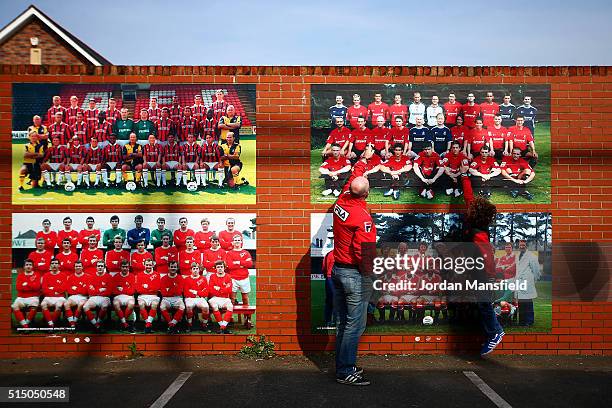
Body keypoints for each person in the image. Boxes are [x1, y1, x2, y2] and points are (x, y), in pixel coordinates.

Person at [332, 154, 377, 386]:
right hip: (353, 274)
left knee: (344, 324)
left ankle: (343, 366)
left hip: (338, 271)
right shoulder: (362, 217)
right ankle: (345, 370)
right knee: (354, 325)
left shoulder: (342, 200)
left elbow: (354, 177)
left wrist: (362, 160)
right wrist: (369, 274)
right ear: (366, 194)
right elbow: (363, 252)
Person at [461, 173, 505, 355]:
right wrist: (464, 177)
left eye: (472, 208)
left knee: (484, 304)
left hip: (482, 274)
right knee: (481, 304)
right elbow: (469, 198)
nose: (469, 208)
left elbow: (488, 257)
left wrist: (491, 276)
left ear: (475, 213)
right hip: (477, 272)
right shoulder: (475, 222)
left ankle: (496, 332)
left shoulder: (479, 233)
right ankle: (492, 332)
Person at [226, 235, 254, 329]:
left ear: (241, 242)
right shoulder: (229, 253)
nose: (237, 242)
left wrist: (238, 262)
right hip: (233, 278)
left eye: (239, 240)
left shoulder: (245, 252)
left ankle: (247, 318)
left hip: (244, 278)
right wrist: (243, 263)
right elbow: (229, 266)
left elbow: (250, 264)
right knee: (232, 299)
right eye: (235, 240)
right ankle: (230, 318)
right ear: (232, 242)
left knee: (245, 298)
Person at [515, 239, 540, 326]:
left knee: (528, 302)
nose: (522, 247)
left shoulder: (532, 256)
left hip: (527, 281)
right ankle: (522, 321)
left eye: (523, 245)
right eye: (520, 245)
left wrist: (533, 280)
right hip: (519, 282)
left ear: (526, 246)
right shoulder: (517, 255)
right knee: (521, 302)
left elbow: (536, 271)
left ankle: (529, 321)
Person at [83, 261, 113, 333]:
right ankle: (96, 325)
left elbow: (109, 291)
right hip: (93, 297)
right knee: (85, 307)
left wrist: (96, 290)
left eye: (101, 266)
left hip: (105, 298)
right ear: (96, 267)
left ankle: (98, 322)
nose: (100, 267)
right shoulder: (91, 277)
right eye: (98, 266)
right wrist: (100, 289)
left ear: (104, 267)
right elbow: (90, 291)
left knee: (105, 306)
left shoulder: (109, 277)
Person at [12, 259, 41, 329]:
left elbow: (37, 287)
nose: (28, 266)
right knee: (14, 306)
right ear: (24, 267)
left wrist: (26, 284)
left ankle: (26, 323)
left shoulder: (37, 275)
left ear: (33, 266)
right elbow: (18, 288)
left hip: (33, 297)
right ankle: (25, 325)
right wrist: (31, 285)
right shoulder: (20, 276)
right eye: (27, 265)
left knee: (35, 305)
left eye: (30, 265)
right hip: (21, 297)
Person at [208, 260, 234, 334]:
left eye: (221, 267)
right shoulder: (212, 276)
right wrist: (223, 288)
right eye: (218, 267)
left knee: (230, 306)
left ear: (224, 268)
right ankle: (223, 327)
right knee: (214, 306)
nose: (220, 268)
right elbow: (211, 290)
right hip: (214, 298)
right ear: (215, 268)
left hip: (225, 298)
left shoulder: (228, 276)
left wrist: (219, 288)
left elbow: (229, 290)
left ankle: (222, 327)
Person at [183, 262, 211, 332]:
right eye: (194, 269)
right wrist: (199, 293)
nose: (195, 270)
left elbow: (206, 293)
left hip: (200, 298)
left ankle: (204, 325)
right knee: (189, 306)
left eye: (197, 269)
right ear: (191, 270)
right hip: (189, 298)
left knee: (206, 307)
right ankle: (189, 325)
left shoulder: (203, 279)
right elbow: (186, 293)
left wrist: (195, 292)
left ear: (199, 270)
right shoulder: (187, 279)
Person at [135, 258, 161, 333]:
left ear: (153, 265)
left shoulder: (157, 274)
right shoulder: (139, 275)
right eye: (147, 265)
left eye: (150, 265)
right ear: (144, 265)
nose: (148, 266)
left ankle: (147, 325)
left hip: (154, 296)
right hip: (142, 295)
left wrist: (147, 287)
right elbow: (138, 289)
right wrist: (150, 288)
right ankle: (148, 324)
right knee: (141, 304)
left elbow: (157, 287)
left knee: (154, 305)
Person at [159, 262, 185, 334]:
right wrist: (174, 289)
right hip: (166, 298)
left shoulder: (180, 278)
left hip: (177, 298)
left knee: (182, 307)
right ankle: (171, 324)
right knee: (162, 307)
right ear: (168, 268)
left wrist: (169, 289)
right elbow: (163, 292)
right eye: (171, 267)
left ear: (177, 268)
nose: (173, 268)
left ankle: (172, 324)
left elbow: (180, 291)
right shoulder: (164, 278)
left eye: (174, 267)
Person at [40, 259, 66, 328]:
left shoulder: (63, 275)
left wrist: (52, 288)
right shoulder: (46, 275)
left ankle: (51, 324)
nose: (54, 265)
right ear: (50, 265)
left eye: (56, 263)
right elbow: (44, 289)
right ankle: (51, 323)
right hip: (48, 297)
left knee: (59, 305)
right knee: (43, 304)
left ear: (59, 265)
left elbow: (63, 288)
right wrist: (56, 289)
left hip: (60, 297)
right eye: (52, 263)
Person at [112, 260, 137, 333]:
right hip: (118, 296)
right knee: (116, 304)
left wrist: (122, 289)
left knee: (131, 303)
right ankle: (125, 324)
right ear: (120, 267)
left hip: (129, 296)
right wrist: (127, 289)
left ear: (129, 267)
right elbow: (113, 290)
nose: (125, 268)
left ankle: (123, 322)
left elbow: (132, 291)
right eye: (123, 267)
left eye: (126, 267)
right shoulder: (116, 276)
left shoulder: (132, 276)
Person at [64, 261, 89, 328]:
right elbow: (69, 290)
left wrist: (75, 288)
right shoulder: (70, 277)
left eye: (79, 266)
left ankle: (74, 322)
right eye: (76, 266)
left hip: (83, 297)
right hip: (73, 297)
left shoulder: (87, 277)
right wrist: (81, 288)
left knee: (80, 304)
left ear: (82, 267)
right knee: (66, 304)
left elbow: (86, 291)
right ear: (74, 267)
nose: (78, 267)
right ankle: (72, 323)